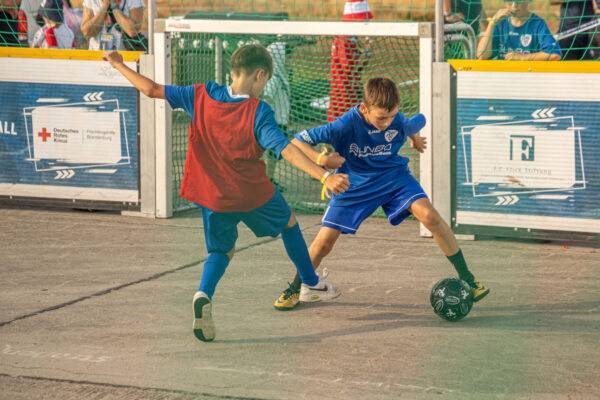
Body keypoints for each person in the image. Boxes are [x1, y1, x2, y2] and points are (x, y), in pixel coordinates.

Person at [102, 44, 350, 342]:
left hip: (212, 195)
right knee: (289, 223)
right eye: (265, 81)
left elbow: (151, 88)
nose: (264, 87)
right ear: (260, 75)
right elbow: (285, 149)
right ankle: (310, 284)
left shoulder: (200, 94)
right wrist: (324, 175)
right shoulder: (259, 111)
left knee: (221, 250)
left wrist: (117, 64)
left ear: (232, 71)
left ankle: (203, 293)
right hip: (251, 193)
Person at [274, 77, 490, 310]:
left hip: (394, 178)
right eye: (381, 118)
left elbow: (410, 124)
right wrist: (322, 159)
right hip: (354, 183)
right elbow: (296, 141)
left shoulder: (396, 119)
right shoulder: (344, 125)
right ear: (364, 108)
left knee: (431, 217)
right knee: (324, 243)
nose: (387, 123)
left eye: (391, 116)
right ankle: (295, 288)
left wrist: (414, 138)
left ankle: (468, 278)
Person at [328, 0, 372, 122]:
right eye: (364, 21)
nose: (366, 24)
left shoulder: (353, 38)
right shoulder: (344, 39)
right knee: (345, 122)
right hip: (343, 91)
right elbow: (348, 68)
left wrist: (366, 55)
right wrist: (364, 56)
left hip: (351, 88)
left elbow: (358, 68)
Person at [477, 0, 562, 61]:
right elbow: (481, 55)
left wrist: (522, 57)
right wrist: (492, 23)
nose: (514, 5)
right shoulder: (500, 23)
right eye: (509, 1)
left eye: (519, 1)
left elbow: (555, 55)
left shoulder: (538, 24)